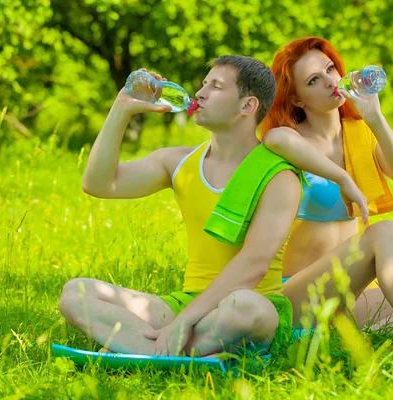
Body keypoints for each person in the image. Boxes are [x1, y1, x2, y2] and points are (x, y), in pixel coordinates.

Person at [58, 55, 302, 357]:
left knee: (247, 308)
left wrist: (183, 321)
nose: (200, 93)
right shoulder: (180, 162)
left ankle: (146, 347)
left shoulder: (278, 175)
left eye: (216, 86)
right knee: (75, 293)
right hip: (186, 302)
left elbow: (254, 264)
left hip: (248, 304)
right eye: (203, 84)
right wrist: (121, 110)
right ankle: (177, 352)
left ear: (247, 106)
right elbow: (98, 184)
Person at [260, 37, 393, 334]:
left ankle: (357, 335)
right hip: (299, 294)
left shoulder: (358, 133)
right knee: (385, 231)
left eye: (330, 69)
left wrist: (374, 118)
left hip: (353, 293)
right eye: (313, 80)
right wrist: (343, 178)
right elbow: (274, 138)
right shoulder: (289, 140)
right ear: (297, 98)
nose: (329, 81)